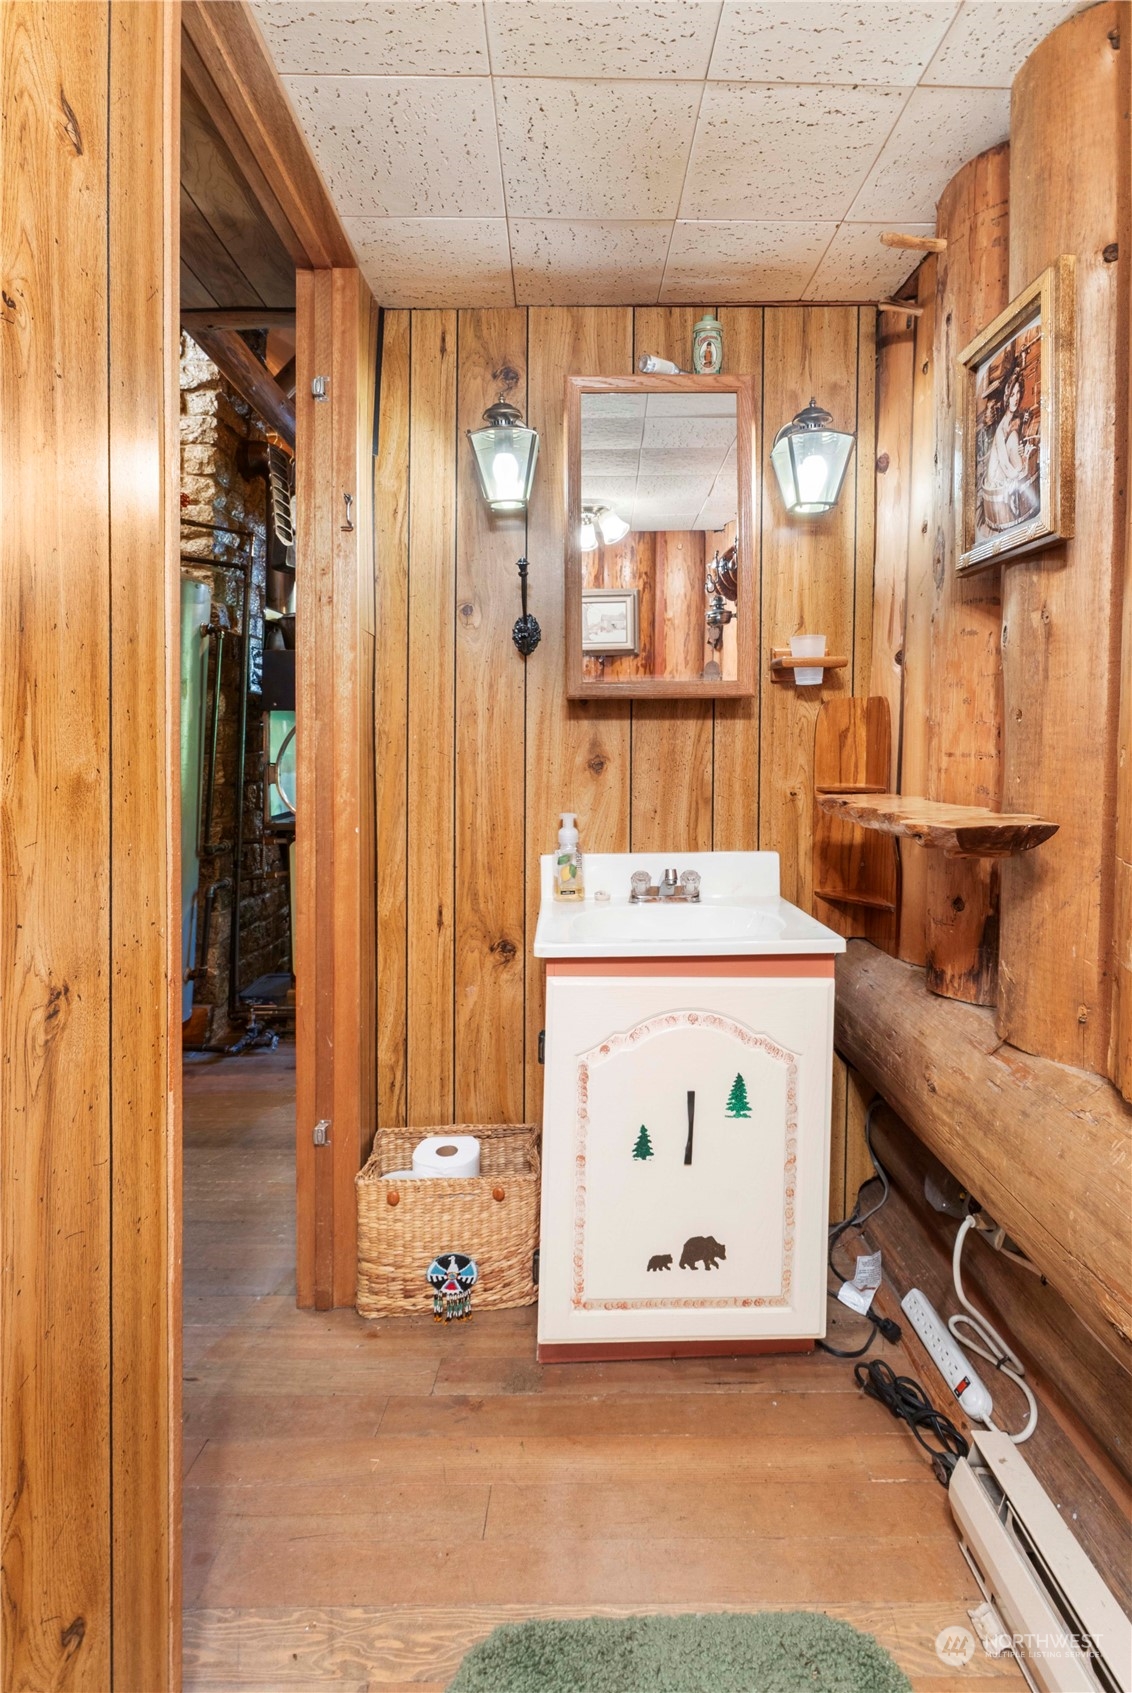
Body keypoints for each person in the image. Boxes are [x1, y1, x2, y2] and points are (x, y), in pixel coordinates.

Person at [980, 367, 1039, 531]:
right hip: (997, 478)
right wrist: (1021, 473)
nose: (1016, 398)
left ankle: (1020, 472)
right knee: (1014, 440)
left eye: (1018, 393)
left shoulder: (1015, 420)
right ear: (1006, 397)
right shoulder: (1001, 429)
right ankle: (1019, 479)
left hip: (1007, 469)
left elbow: (1014, 449)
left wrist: (1020, 453)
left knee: (1015, 440)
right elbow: (1005, 465)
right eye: (1012, 394)